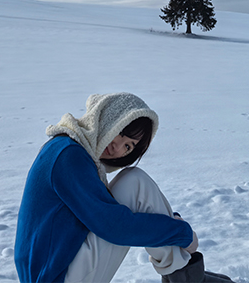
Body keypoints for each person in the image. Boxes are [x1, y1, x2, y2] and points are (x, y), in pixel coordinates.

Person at [14, 92, 235, 283]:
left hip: (57, 270)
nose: (118, 147)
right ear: (108, 119)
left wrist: (169, 225)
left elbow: (108, 212)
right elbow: (113, 226)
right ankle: (186, 277)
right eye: (120, 132)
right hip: (55, 277)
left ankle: (185, 276)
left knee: (133, 182)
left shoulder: (69, 148)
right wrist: (182, 233)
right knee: (135, 183)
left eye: (128, 146)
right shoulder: (68, 155)